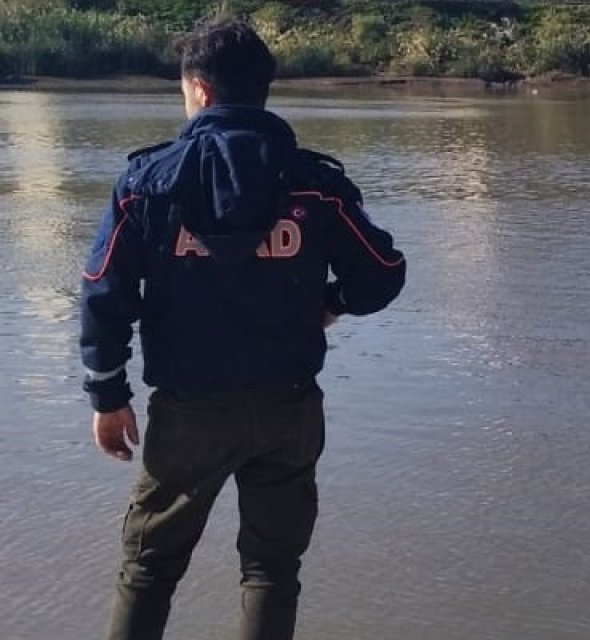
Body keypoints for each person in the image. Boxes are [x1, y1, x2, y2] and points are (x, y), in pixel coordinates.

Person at [80, 20, 406, 640]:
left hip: (189, 413)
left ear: (199, 91)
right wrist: (331, 304)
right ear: (262, 90)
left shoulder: (147, 184)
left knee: (148, 569)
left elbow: (104, 291)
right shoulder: (316, 184)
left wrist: (108, 395)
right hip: (288, 410)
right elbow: (384, 273)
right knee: (271, 571)